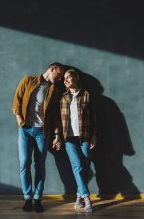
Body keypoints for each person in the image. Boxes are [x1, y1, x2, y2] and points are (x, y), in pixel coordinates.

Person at [12, 62, 64, 212]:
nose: (60, 78)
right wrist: (20, 122)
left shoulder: (55, 90)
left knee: (40, 165)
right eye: (59, 74)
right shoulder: (28, 81)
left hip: (43, 131)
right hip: (25, 130)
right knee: (24, 163)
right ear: (52, 69)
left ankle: (37, 199)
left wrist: (57, 135)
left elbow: (55, 115)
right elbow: (17, 101)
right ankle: (27, 198)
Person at [60, 69, 98, 213]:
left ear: (76, 79)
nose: (66, 80)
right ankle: (87, 198)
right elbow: (59, 119)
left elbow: (94, 117)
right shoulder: (63, 98)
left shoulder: (87, 95)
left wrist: (95, 134)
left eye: (69, 77)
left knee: (85, 167)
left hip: (85, 136)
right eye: (64, 78)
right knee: (78, 167)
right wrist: (58, 135)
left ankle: (78, 196)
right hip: (69, 138)